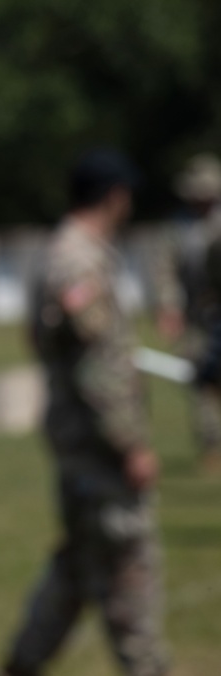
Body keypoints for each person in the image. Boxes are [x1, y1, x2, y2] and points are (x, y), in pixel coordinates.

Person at [0, 149, 186, 676]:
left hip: (75, 433)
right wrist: (130, 442)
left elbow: (41, 340)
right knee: (129, 554)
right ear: (115, 196)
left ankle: (22, 668)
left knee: (81, 559)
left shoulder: (60, 253)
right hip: (96, 440)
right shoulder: (80, 260)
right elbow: (97, 362)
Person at [168, 153, 221, 470]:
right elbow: (167, 271)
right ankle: (211, 443)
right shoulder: (180, 228)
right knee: (200, 380)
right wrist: (170, 307)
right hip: (196, 317)